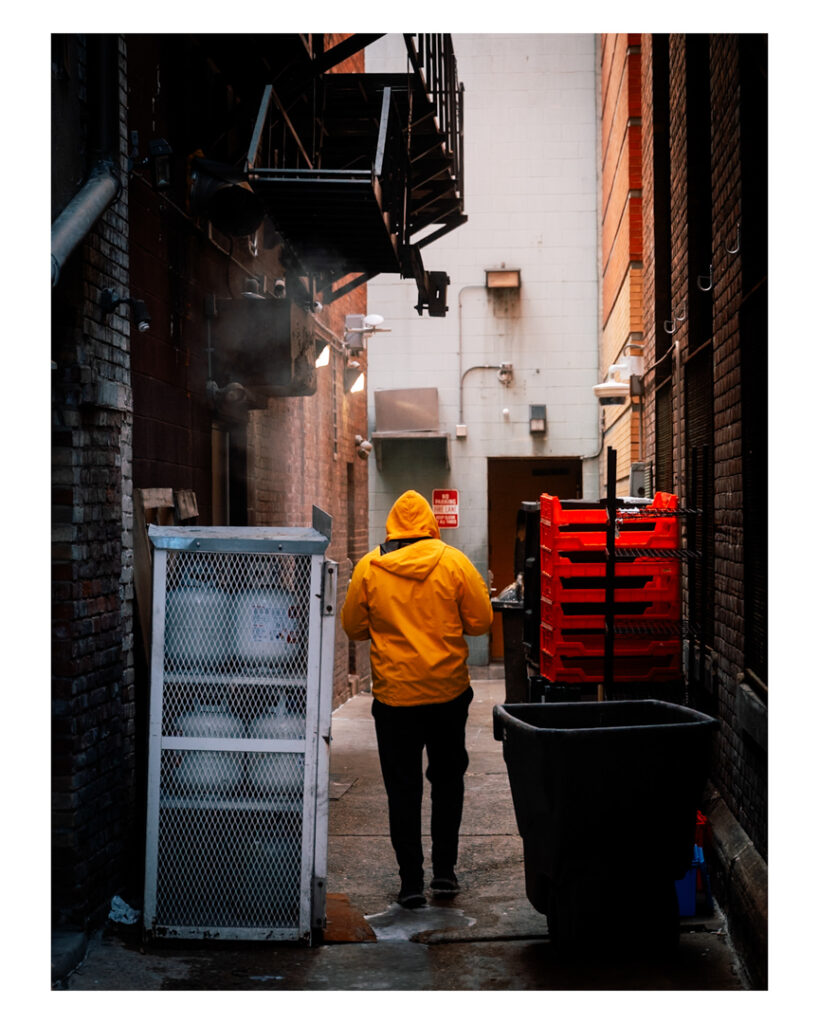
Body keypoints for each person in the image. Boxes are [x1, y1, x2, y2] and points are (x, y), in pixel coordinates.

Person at [341, 490, 493, 909]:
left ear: (392, 526)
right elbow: (481, 622)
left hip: (395, 699)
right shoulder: (453, 561)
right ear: (429, 524)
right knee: (447, 782)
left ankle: (410, 883)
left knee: (402, 789)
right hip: (447, 693)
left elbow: (353, 627)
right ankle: (444, 873)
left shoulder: (371, 567)